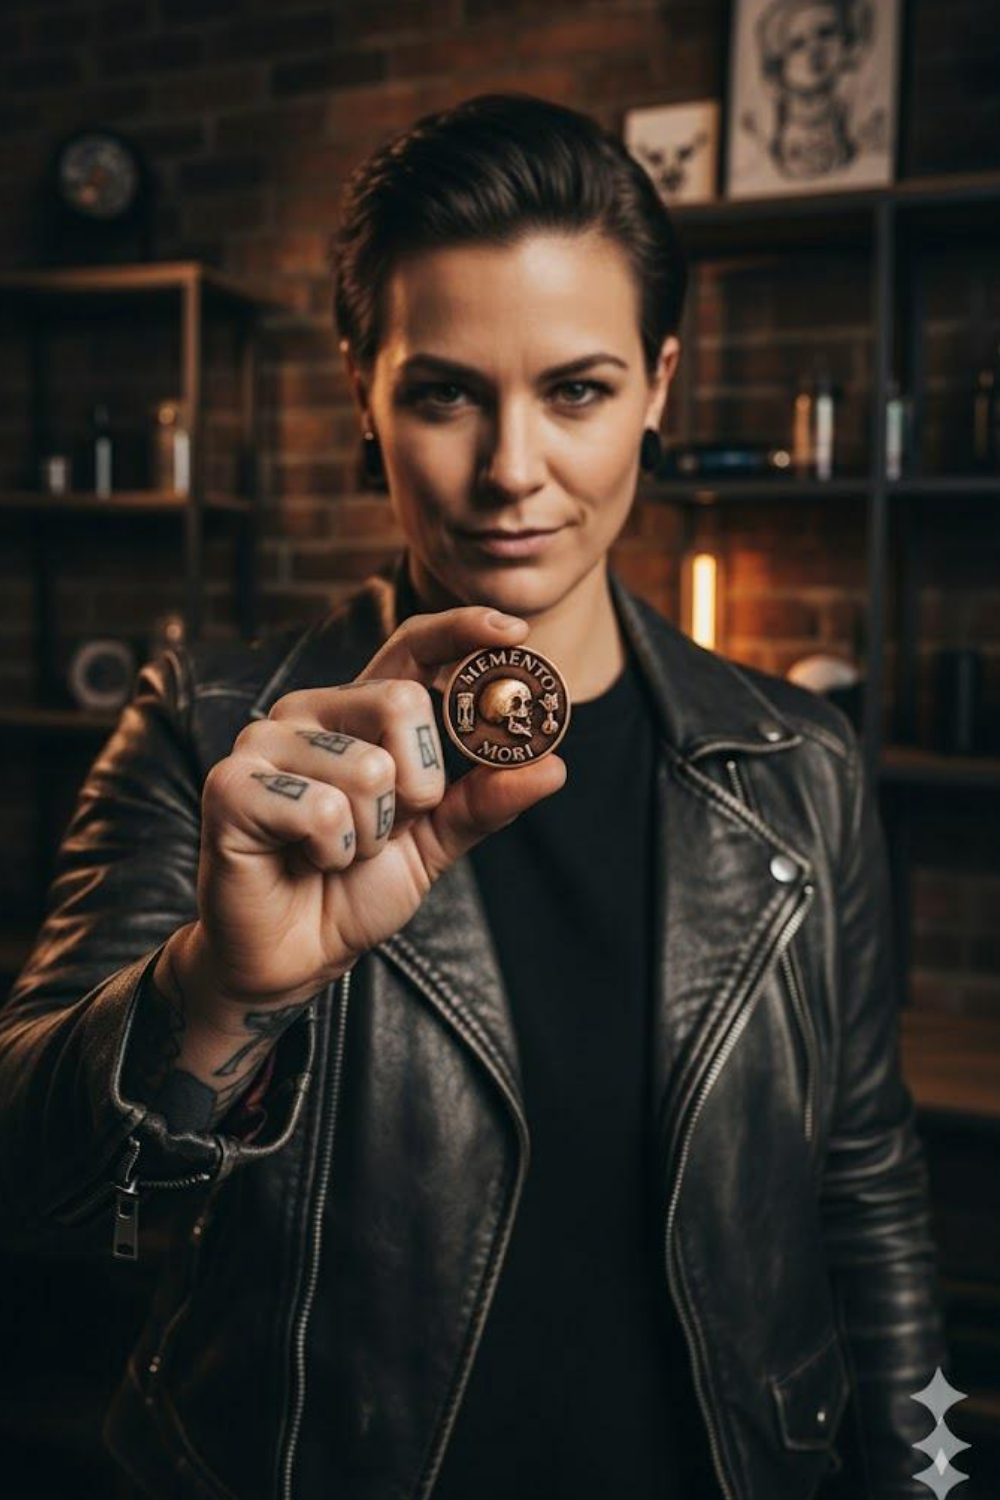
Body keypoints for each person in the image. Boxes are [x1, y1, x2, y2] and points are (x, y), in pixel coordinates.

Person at [0, 92, 949, 1500]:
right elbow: (35, 1192)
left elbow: (867, 1195)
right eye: (446, 392)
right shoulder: (209, 730)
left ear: (660, 386)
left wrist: (932, 1475)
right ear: (360, 388)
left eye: (578, 390)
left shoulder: (800, 765)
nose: (515, 471)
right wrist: (218, 988)